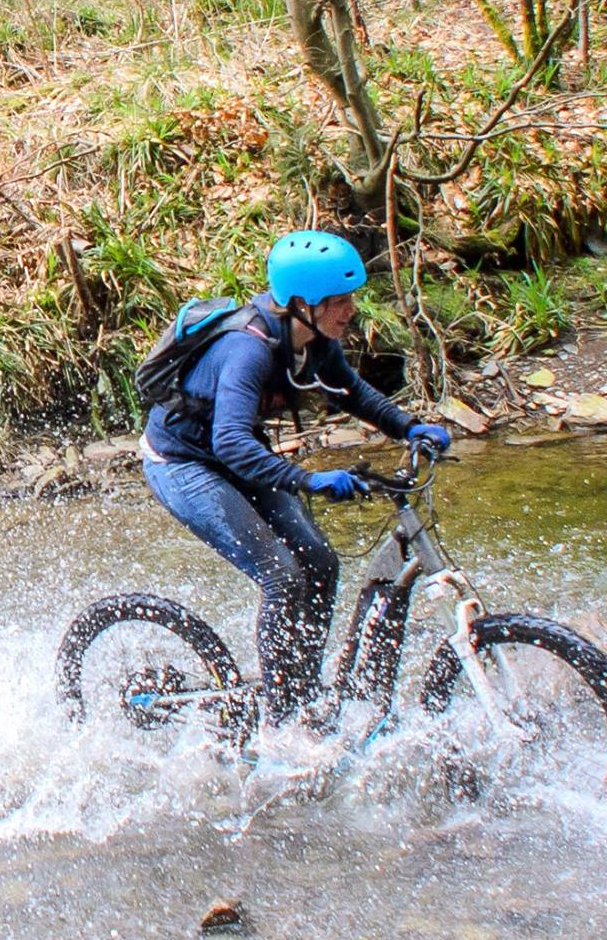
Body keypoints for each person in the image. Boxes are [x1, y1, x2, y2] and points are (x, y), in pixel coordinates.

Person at [139, 230, 453, 726]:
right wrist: (309, 480)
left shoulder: (315, 340)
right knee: (282, 575)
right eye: (341, 301)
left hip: (233, 457)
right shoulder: (249, 350)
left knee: (321, 562)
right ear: (305, 303)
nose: (351, 311)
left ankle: (302, 687)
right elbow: (231, 444)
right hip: (182, 464)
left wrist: (409, 427)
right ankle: (279, 718)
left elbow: (351, 392)